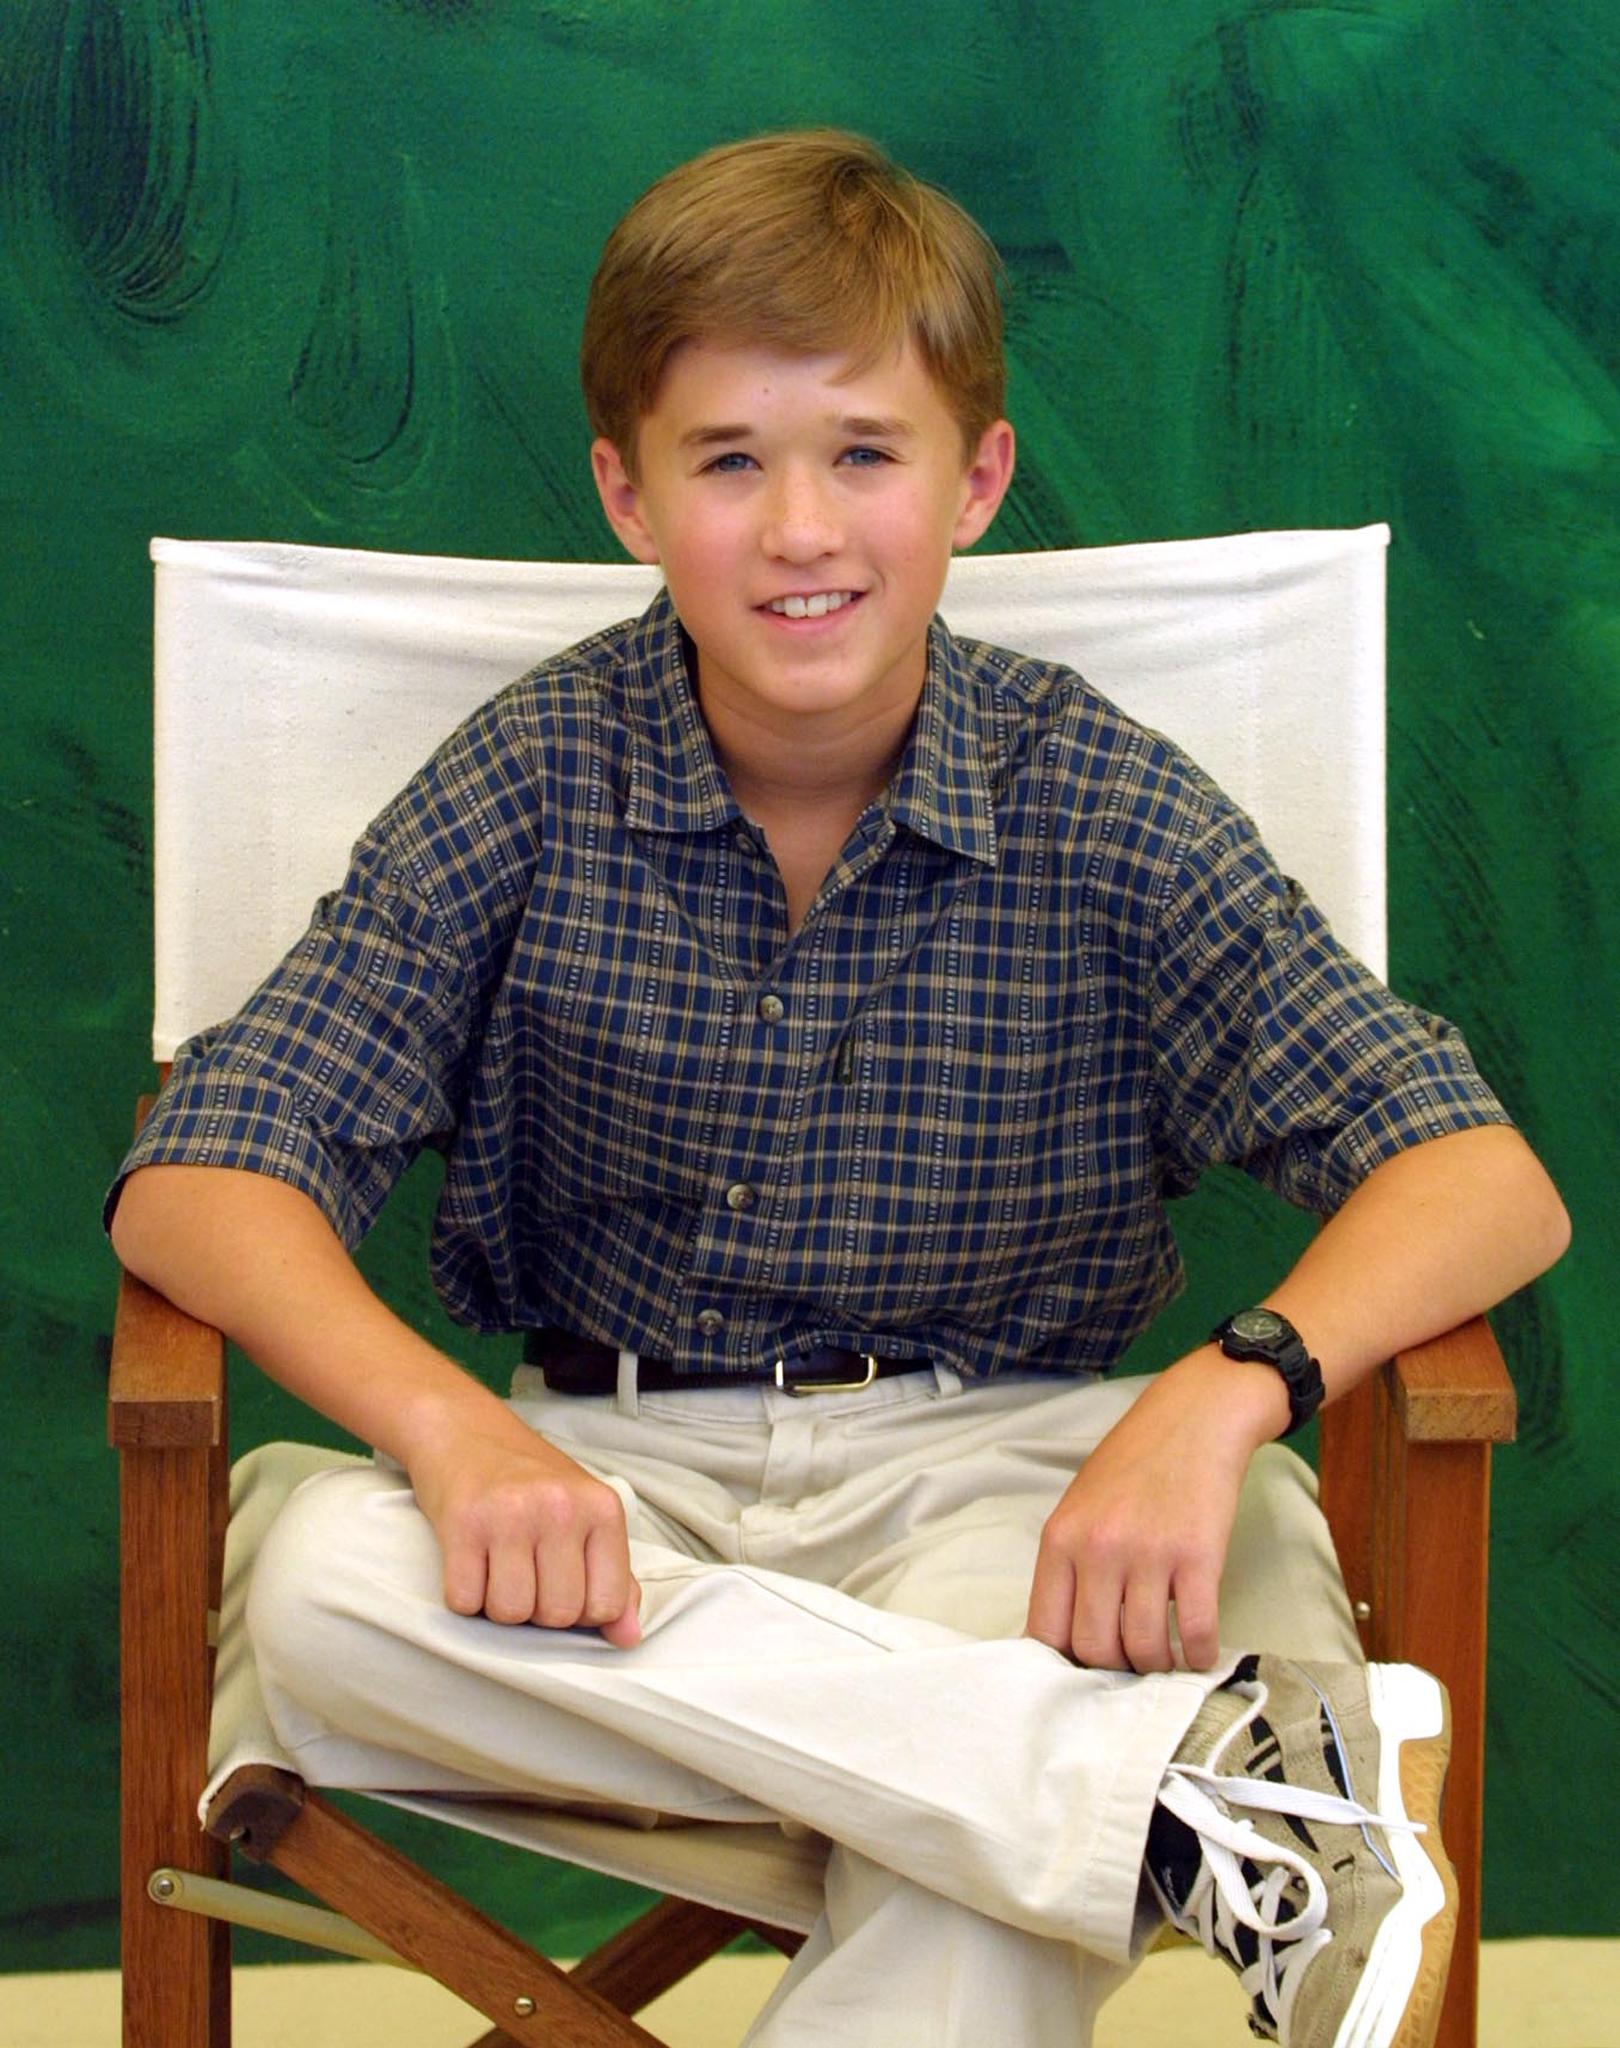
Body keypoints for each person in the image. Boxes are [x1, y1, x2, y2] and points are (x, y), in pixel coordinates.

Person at [107, 130, 1568, 2047]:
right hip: (618, 1490)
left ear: (978, 481)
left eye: (866, 454)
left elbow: (1482, 1177)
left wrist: (1230, 1394)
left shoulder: (1095, 795)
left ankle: (1130, 1778)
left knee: (1175, 1617)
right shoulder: (534, 777)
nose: (802, 530)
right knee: (311, 1595)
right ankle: (1178, 1801)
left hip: (1019, 1485)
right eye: (730, 461)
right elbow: (200, 1174)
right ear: (631, 496)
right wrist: (449, 1431)